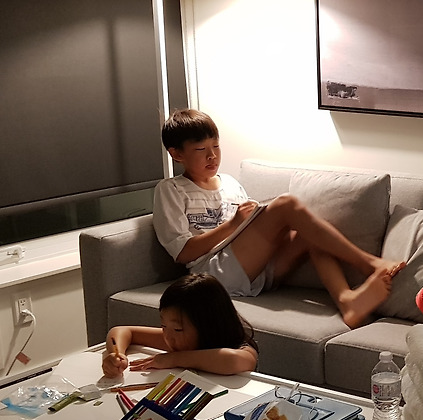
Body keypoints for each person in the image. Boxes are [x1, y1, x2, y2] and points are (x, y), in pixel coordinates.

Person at [152, 109, 404, 328]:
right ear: (177, 154)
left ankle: (346, 301)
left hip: (256, 271)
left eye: (216, 147)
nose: (212, 156)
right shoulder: (172, 189)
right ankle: (369, 263)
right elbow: (182, 253)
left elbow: (250, 232)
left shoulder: (229, 183)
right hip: (212, 274)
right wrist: (234, 224)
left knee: (314, 232)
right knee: (287, 204)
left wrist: (254, 220)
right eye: (201, 149)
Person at [102, 273, 258, 378]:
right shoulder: (177, 340)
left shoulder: (240, 347)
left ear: (208, 325)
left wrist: (173, 359)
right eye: (163, 326)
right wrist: (117, 354)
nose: (168, 337)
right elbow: (122, 331)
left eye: (178, 329)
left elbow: (233, 360)